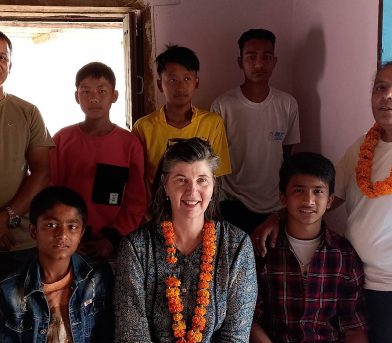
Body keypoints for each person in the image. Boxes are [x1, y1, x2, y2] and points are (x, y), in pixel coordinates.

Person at [254, 62, 392, 343]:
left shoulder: (340, 256)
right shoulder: (362, 148)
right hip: (366, 282)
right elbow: (323, 194)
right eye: (380, 87)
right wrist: (276, 218)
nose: (388, 96)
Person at [114, 138, 257, 343]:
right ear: (165, 184)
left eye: (202, 180)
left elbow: (235, 335)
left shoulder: (236, 245)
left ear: (213, 186)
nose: (193, 190)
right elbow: (133, 336)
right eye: (181, 180)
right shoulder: (136, 247)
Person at [249, 152, 368, 343]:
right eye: (299, 190)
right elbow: (248, 319)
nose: (309, 200)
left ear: (330, 199)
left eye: (318, 191)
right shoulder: (263, 250)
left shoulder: (344, 255)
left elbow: (354, 328)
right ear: (283, 197)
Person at [0, 186, 114, 343]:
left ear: (82, 232)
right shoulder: (9, 289)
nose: (62, 234)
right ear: (33, 231)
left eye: (72, 227)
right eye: (51, 225)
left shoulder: (97, 278)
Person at [50, 62, 146, 260]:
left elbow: (136, 200)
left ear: (115, 96)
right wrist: (67, 234)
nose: (94, 98)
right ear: (76, 96)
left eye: (102, 90)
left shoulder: (129, 144)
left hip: (114, 244)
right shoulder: (61, 140)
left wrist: (112, 238)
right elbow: (51, 192)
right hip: (67, 243)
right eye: (86, 91)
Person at [211, 28, 300, 235]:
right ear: (240, 61)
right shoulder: (223, 105)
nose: (259, 64)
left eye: (266, 57)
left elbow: (287, 153)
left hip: (275, 207)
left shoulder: (288, 104)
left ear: (275, 61)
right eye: (251, 57)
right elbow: (215, 159)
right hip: (233, 204)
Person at [132, 45, 231, 201]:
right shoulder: (143, 127)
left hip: (198, 212)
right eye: (172, 79)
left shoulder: (212, 123)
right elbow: (136, 180)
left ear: (196, 82)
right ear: (159, 84)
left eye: (187, 78)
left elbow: (216, 177)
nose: (180, 86)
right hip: (156, 214)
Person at [0, 31, 54, 279]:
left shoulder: (28, 112)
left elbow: (41, 171)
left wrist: (6, 216)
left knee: (20, 315)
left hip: (16, 239)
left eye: (2, 57)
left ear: (10, 66)